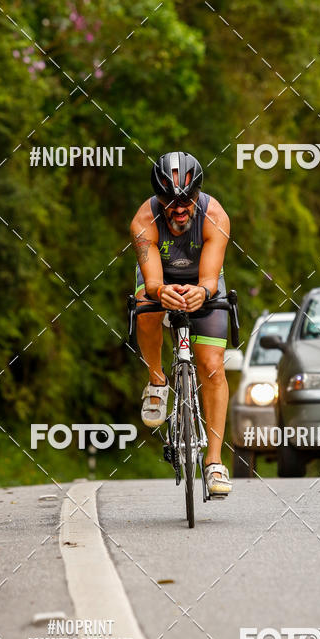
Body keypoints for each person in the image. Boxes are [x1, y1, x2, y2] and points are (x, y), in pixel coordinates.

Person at [129, 151, 232, 496]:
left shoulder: (215, 215)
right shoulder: (143, 220)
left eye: (186, 199)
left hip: (203, 282)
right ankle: (157, 380)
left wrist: (202, 292)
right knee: (146, 304)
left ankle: (214, 462)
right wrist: (161, 292)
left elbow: (210, 280)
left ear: (197, 194)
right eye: (169, 201)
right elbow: (154, 281)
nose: (179, 208)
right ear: (157, 198)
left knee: (213, 367)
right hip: (161, 280)